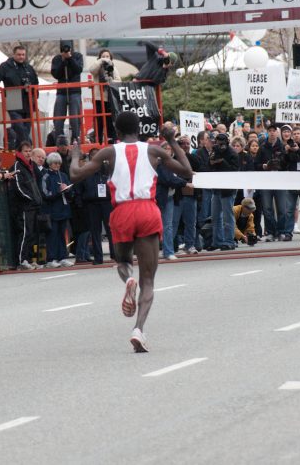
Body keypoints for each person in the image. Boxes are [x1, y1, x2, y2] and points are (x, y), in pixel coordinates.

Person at [69, 111, 192, 353]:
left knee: (123, 261)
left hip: (122, 211)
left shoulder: (109, 152)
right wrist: (173, 141)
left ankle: (128, 279)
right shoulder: (154, 150)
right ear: (140, 129)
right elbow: (186, 171)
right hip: (148, 209)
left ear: (116, 130)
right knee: (149, 280)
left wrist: (75, 156)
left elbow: (75, 175)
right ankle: (138, 330)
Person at [0, 45, 40, 147]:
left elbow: (36, 83)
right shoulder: (5, 66)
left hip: (28, 101)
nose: (21, 57)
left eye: (23, 55)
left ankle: (19, 150)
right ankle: (29, 147)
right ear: (13, 55)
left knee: (25, 129)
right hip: (13, 97)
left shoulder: (28, 67)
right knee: (19, 127)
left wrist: (34, 96)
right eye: (19, 55)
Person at [10, 141, 44, 269]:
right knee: (24, 233)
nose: (28, 153)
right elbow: (18, 187)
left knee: (32, 234)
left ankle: (29, 258)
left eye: (30, 151)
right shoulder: (17, 166)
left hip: (33, 205)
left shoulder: (31, 166)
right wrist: (30, 199)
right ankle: (21, 260)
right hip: (24, 206)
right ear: (19, 152)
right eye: (25, 151)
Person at [81, 147, 115, 264]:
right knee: (95, 231)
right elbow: (80, 187)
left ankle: (114, 255)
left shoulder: (107, 169)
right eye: (92, 155)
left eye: (97, 155)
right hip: (92, 203)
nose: (95, 157)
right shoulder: (86, 170)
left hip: (106, 202)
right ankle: (98, 257)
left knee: (111, 229)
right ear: (89, 158)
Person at [41, 152, 74, 268]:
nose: (57, 165)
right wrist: (58, 192)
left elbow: (71, 192)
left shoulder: (63, 175)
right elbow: (45, 193)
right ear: (49, 164)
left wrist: (68, 190)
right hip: (52, 210)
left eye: (59, 163)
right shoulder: (46, 176)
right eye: (55, 163)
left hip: (63, 209)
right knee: (52, 235)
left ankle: (62, 257)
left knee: (62, 234)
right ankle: (51, 258)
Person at [208, 133, 239, 251]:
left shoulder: (232, 153)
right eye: (218, 142)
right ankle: (217, 241)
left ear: (227, 141)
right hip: (216, 187)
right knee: (215, 216)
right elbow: (209, 166)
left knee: (227, 216)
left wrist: (221, 161)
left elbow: (234, 171)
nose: (221, 145)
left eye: (223, 142)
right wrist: (212, 159)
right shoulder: (215, 150)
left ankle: (229, 241)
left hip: (228, 189)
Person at [51, 41, 84, 141]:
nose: (66, 49)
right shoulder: (57, 59)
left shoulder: (78, 56)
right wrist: (62, 61)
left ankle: (75, 138)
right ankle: (59, 138)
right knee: (58, 117)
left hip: (75, 91)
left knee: (75, 117)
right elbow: (56, 74)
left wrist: (70, 58)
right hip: (61, 92)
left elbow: (78, 70)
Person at [89, 48, 117, 143]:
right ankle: (98, 141)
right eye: (103, 56)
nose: (105, 58)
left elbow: (119, 80)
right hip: (99, 99)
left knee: (110, 122)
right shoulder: (98, 67)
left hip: (110, 99)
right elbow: (91, 70)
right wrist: (101, 61)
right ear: (99, 58)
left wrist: (111, 81)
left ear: (111, 58)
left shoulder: (113, 67)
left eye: (107, 56)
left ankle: (111, 141)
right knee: (99, 122)